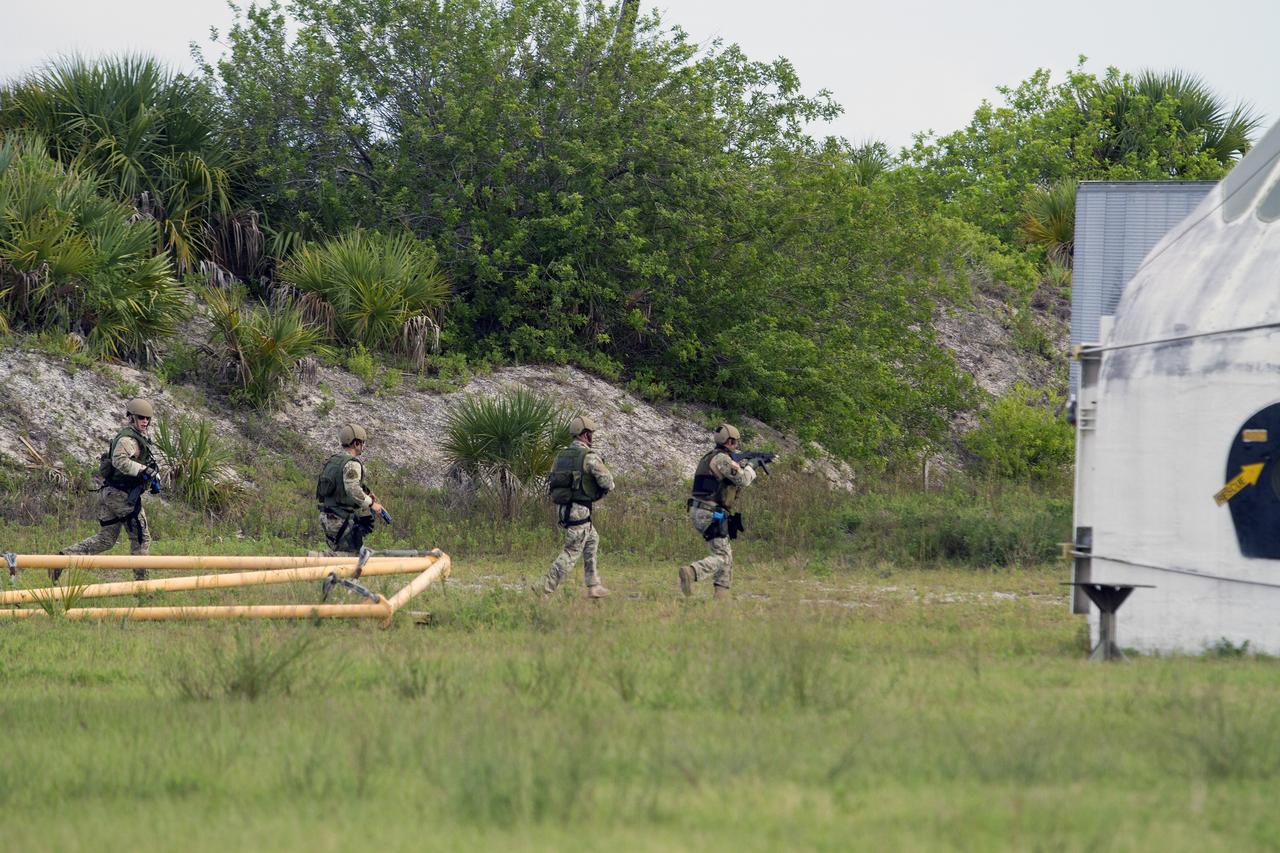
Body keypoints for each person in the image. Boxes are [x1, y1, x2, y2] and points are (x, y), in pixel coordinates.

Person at [58, 397, 162, 581]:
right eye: (140, 418)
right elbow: (120, 461)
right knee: (141, 539)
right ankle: (142, 584)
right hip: (121, 497)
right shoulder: (128, 439)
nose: (145, 421)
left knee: (105, 539)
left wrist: (152, 474)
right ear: (131, 418)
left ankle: (62, 559)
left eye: (147, 418)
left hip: (111, 493)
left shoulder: (137, 437)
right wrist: (144, 470)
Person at [536, 415, 615, 599]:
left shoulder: (561, 456)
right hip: (579, 509)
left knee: (592, 539)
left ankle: (593, 584)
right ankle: (544, 587)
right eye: (591, 434)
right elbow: (608, 482)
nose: (592, 437)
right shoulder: (589, 457)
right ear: (585, 435)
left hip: (564, 508)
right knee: (571, 551)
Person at [679, 423, 757, 599]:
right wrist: (752, 467)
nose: (736, 446)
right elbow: (743, 480)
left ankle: (721, 597)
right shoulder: (722, 459)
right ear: (729, 441)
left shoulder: (709, 457)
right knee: (721, 556)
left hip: (702, 510)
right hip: (710, 512)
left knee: (726, 554)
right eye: (735, 442)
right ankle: (691, 572)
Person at [315, 424, 387, 555]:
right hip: (339, 519)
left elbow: (342, 485)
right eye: (362, 443)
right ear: (356, 443)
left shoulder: (334, 460)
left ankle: (320, 565)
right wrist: (372, 504)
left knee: (343, 555)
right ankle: (315, 559)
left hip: (327, 516)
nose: (363, 446)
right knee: (353, 557)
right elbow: (352, 489)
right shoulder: (352, 463)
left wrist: (366, 493)